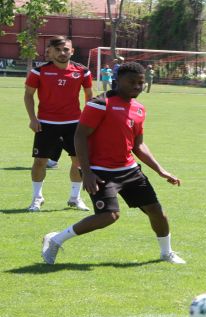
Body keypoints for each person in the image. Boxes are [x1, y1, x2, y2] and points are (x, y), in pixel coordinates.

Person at [41, 62, 186, 265]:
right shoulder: (100, 103)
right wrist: (87, 172)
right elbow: (80, 136)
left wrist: (162, 171)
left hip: (129, 170)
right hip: (100, 172)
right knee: (109, 216)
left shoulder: (139, 109)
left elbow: (138, 146)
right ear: (118, 81)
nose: (137, 86)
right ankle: (55, 239)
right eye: (132, 82)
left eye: (140, 83)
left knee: (157, 211)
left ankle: (166, 253)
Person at [24, 36, 93, 212]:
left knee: (78, 162)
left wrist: (89, 121)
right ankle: (37, 198)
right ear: (50, 51)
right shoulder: (39, 72)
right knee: (40, 161)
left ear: (72, 51)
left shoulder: (82, 71)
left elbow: (89, 97)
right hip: (46, 123)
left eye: (66, 49)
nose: (62, 53)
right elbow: (28, 95)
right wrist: (33, 119)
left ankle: (75, 198)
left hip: (74, 124)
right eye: (58, 50)